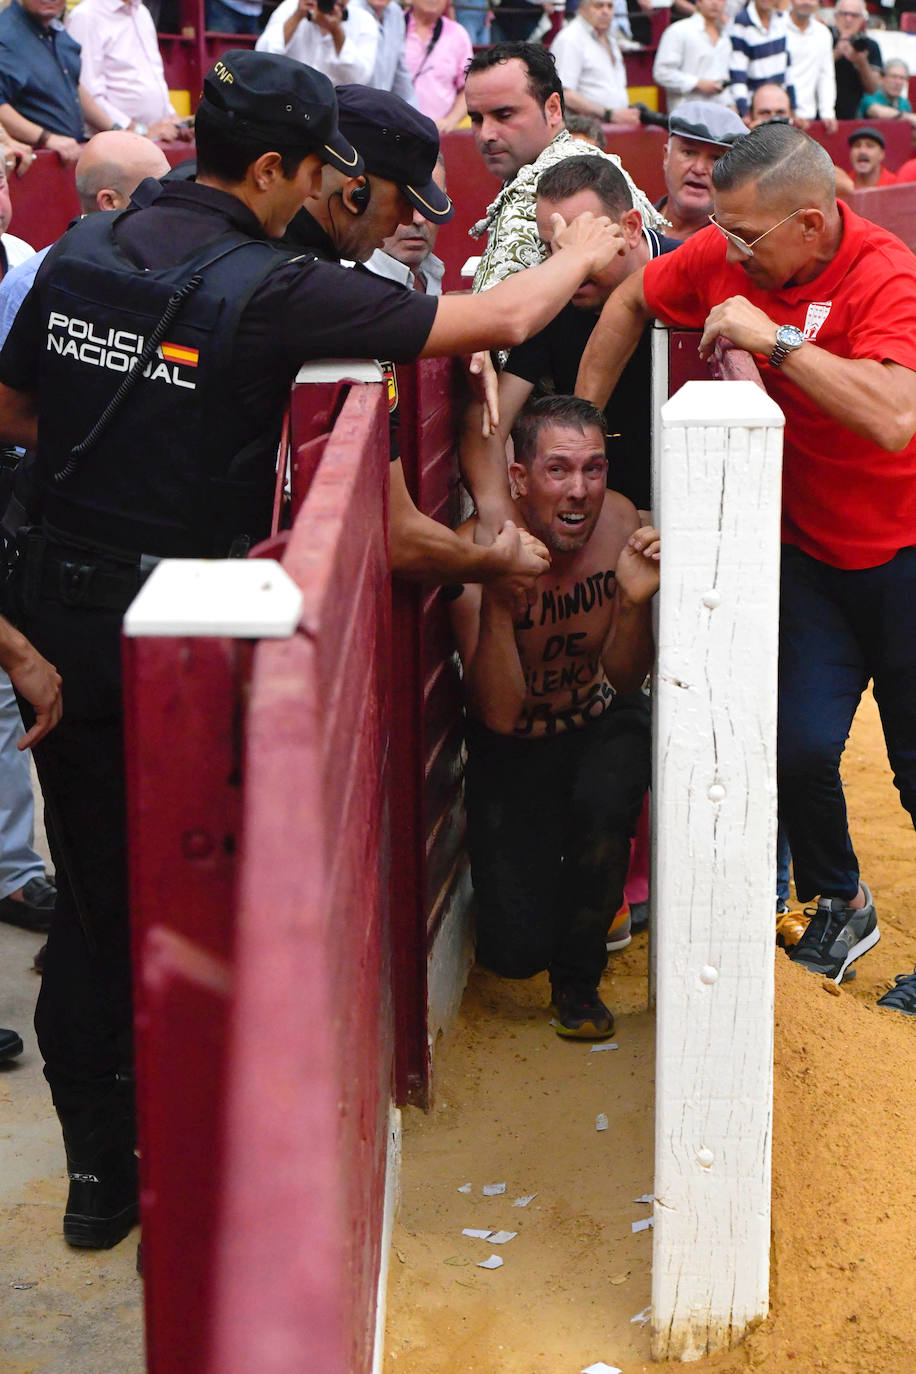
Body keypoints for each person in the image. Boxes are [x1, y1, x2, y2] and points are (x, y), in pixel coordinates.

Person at [0, 50, 627, 1254]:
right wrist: (584, 251)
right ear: (275, 171)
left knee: (94, 903)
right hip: (191, 629)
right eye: (308, 171)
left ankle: (98, 1177)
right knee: (205, 895)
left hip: (63, 613)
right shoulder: (277, 286)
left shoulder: (84, 248)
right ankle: (197, 1159)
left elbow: (16, 409)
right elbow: (499, 319)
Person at [577, 121, 916, 989]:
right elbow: (630, 301)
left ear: (812, 223)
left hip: (906, 555)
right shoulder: (728, 252)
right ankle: (841, 900)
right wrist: (584, 434)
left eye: (747, 235)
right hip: (809, 554)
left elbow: (893, 417)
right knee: (793, 750)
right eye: (722, 230)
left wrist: (775, 341)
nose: (727, 250)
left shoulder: (886, 272)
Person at [449, 394, 659, 1038]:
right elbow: (498, 715)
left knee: (606, 801)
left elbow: (626, 679)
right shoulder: (476, 553)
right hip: (515, 744)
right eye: (558, 470)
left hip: (598, 722)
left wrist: (632, 604)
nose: (579, 490)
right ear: (518, 479)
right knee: (513, 954)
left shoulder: (620, 521)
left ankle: (579, 982)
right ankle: (541, 926)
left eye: (594, 468)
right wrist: (501, 602)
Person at [461, 154, 679, 529]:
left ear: (630, 227)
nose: (568, 265)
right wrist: (503, 521)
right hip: (591, 522)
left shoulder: (685, 270)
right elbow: (489, 427)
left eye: (584, 244)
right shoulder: (555, 296)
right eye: (552, 248)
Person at [464, 43, 664, 295]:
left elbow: (495, 313)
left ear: (553, 109)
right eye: (476, 119)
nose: (486, 134)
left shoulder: (533, 192)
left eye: (504, 115)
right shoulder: (599, 163)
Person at [0, 0, 127, 165]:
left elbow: (73, 86)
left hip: (67, 159)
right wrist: (46, 138)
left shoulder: (57, 31)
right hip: (31, 164)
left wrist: (115, 130)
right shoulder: (6, 35)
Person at [65, 0, 191, 143]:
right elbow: (86, 93)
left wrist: (175, 121)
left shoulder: (142, 12)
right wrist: (138, 130)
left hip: (154, 137)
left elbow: (154, 77)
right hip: (112, 143)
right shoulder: (86, 16)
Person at [655, 99, 747, 240]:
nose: (699, 169)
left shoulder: (735, 247)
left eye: (716, 158)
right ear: (666, 156)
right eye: (688, 152)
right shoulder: (630, 226)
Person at [549, 0, 642, 128]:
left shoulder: (610, 39)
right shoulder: (570, 39)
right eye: (599, 6)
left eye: (610, 6)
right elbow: (564, 93)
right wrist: (609, 114)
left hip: (616, 127)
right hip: (583, 131)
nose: (606, 11)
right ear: (582, 9)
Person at [366, 153, 447, 293]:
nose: (419, 219)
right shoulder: (344, 287)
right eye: (404, 203)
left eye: (431, 204)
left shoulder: (430, 273)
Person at [256, 0, 379, 86]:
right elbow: (262, 55)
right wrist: (297, 16)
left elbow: (360, 78)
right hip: (287, 95)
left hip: (336, 104)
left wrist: (337, 32)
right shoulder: (291, 7)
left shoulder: (364, 21)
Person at [652, 0, 734, 115]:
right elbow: (662, 73)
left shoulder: (725, 37)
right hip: (687, 114)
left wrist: (730, 104)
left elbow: (724, 77)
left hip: (719, 114)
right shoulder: (679, 30)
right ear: (698, 2)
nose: (715, 3)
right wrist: (697, 83)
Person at [404, 0, 473, 132]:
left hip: (439, 133)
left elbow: (468, 88)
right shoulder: (393, 25)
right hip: (393, 131)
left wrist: (451, 121)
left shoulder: (458, 34)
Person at [727, 0, 795, 123]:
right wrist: (744, 112)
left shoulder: (781, 19)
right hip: (755, 109)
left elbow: (788, 67)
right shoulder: (740, 22)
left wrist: (793, 107)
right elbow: (737, 72)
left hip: (779, 106)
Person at [786, 0, 836, 131]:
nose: (806, 2)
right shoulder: (776, 27)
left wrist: (827, 112)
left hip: (808, 118)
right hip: (777, 115)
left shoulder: (823, 33)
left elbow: (826, 75)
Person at [354, 0, 417, 103]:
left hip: (381, 108)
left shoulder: (395, 13)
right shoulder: (349, 11)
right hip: (349, 106)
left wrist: (413, 110)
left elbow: (400, 74)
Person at [831, 0, 881, 122]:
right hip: (822, 112)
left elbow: (874, 89)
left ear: (862, 19)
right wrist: (836, 53)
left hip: (854, 115)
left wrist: (861, 62)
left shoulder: (869, 45)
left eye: (854, 15)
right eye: (844, 14)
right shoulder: (823, 37)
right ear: (836, 16)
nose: (848, 19)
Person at [856, 57, 916, 128]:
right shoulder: (870, 96)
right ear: (882, 78)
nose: (898, 82)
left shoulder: (904, 103)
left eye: (902, 78)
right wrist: (908, 117)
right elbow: (878, 112)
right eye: (894, 77)